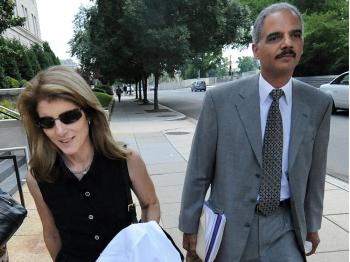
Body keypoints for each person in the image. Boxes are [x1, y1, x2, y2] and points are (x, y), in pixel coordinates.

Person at [179, 3, 332, 262]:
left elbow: (315, 173)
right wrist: (190, 223)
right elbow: (199, 169)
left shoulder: (318, 104)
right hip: (230, 228)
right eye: (275, 37)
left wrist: (313, 223)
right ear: (256, 50)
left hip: (285, 226)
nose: (287, 43)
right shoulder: (220, 101)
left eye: (295, 35)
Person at [17, 65, 160, 261]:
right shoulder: (38, 177)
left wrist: (143, 248)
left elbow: (150, 203)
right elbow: (51, 233)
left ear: (89, 114)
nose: (60, 131)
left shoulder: (126, 160)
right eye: (48, 122)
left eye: (69, 117)